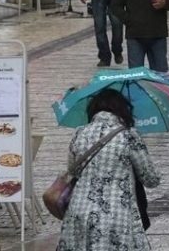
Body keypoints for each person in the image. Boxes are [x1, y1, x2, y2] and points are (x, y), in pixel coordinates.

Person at [56, 88, 159, 251]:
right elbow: (151, 179)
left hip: (79, 212)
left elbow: (73, 170)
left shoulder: (79, 133)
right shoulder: (129, 135)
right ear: (122, 109)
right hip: (116, 215)